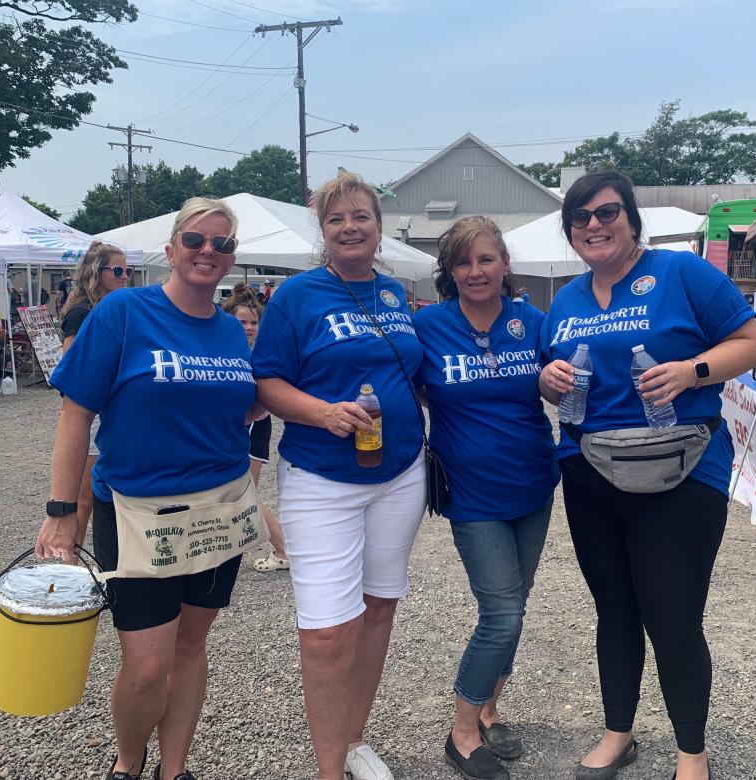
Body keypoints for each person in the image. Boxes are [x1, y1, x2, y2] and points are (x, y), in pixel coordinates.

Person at [538, 171, 756, 780]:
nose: (594, 225)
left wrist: (693, 371)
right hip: (590, 473)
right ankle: (619, 732)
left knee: (672, 612)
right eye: (580, 217)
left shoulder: (681, 274)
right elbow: (548, 373)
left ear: (632, 219)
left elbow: (751, 343)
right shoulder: (566, 299)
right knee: (614, 609)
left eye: (607, 212)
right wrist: (547, 381)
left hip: (682, 472)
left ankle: (692, 752)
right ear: (571, 232)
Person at [35, 197, 257, 780]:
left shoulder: (233, 332)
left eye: (223, 243)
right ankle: (128, 763)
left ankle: (174, 769)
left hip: (219, 509)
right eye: (196, 240)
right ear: (171, 249)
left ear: (231, 258)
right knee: (146, 665)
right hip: (136, 510)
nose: (209, 251)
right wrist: (62, 511)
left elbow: (245, 406)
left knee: (189, 647)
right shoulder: (124, 313)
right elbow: (75, 412)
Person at [253, 172, 426, 780]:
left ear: (379, 227)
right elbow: (268, 381)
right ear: (322, 232)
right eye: (336, 219)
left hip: (400, 473)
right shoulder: (297, 296)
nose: (350, 227)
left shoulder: (395, 293)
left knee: (379, 609)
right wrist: (322, 412)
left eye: (361, 217)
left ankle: (354, 740)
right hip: (321, 477)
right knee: (327, 631)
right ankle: (329, 770)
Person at [414, 217, 558, 780]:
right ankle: (462, 727)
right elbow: (405, 387)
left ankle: (493, 708)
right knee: (501, 614)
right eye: (463, 262)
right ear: (450, 271)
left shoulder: (532, 321)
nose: (476, 271)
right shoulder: (429, 327)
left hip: (534, 485)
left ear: (504, 265)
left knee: (515, 607)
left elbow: (567, 373)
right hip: (472, 496)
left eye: (486, 259)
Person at [60, 241, 133, 548]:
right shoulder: (82, 311)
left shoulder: (118, 308)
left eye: (127, 270)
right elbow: (73, 368)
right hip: (92, 412)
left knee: (102, 493)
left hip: (115, 412)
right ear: (96, 272)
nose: (125, 276)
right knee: (85, 497)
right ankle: (72, 563)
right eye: (117, 270)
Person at [221, 283, 288, 572]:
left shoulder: (257, 355)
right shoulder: (222, 350)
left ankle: (284, 549)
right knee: (233, 495)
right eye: (242, 322)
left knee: (245, 494)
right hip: (233, 430)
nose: (249, 328)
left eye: (253, 322)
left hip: (252, 429)